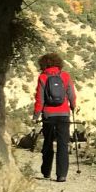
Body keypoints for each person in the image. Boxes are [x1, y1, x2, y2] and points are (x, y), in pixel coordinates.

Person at [34, 52, 77, 182]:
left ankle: (46, 172)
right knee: (63, 144)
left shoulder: (42, 77)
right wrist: (73, 106)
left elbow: (39, 99)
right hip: (63, 114)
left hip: (48, 115)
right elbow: (71, 94)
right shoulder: (65, 76)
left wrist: (36, 115)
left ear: (43, 64)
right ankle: (61, 174)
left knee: (48, 143)